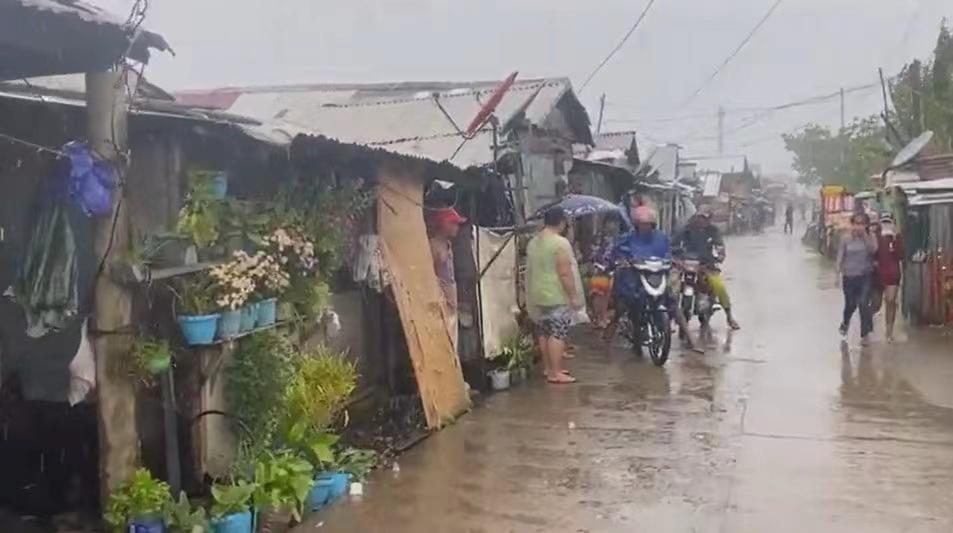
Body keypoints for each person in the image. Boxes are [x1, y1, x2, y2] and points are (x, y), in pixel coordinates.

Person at [608, 206, 700, 350]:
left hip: (658, 276)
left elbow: (668, 253)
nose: (646, 227)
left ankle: (690, 339)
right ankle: (609, 333)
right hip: (635, 276)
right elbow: (616, 252)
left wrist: (674, 261)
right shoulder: (628, 238)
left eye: (648, 224)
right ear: (636, 224)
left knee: (673, 303)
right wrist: (621, 261)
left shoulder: (661, 237)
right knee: (623, 304)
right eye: (643, 224)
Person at [526, 206, 584, 384]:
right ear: (561, 222)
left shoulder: (533, 242)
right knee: (557, 333)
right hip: (556, 294)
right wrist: (573, 295)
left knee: (544, 332)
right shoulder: (560, 243)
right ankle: (556, 372)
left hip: (537, 293)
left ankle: (548, 368)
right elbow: (565, 272)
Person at [673, 209, 741, 330]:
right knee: (672, 287)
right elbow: (674, 244)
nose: (701, 220)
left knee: (719, 286)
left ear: (709, 219)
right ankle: (666, 318)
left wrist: (720, 255)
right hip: (687, 266)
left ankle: (729, 316)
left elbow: (719, 246)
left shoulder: (713, 231)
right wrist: (675, 258)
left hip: (707, 265)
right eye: (699, 217)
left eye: (705, 218)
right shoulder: (686, 230)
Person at [836, 213, 878, 344]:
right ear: (852, 224)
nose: (859, 226)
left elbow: (874, 250)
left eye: (862, 224)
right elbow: (840, 257)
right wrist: (837, 274)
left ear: (866, 225)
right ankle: (845, 323)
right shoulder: (846, 238)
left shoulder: (870, 237)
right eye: (856, 223)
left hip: (865, 275)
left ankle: (865, 333)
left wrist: (865, 237)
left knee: (863, 303)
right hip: (849, 277)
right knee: (850, 304)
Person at [428, 207, 466, 351]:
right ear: (444, 224)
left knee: (452, 342)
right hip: (441, 302)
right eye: (454, 223)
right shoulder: (433, 246)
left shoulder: (448, 245)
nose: (457, 227)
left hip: (451, 299)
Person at [874, 214, 904, 342]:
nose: (887, 225)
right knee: (875, 304)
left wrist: (896, 237)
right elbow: (871, 253)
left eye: (889, 222)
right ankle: (867, 327)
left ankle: (889, 332)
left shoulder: (897, 238)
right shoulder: (875, 236)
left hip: (893, 275)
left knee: (890, 301)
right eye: (884, 222)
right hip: (876, 275)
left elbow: (901, 255)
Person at [588, 216, 621, 329]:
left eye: (615, 223)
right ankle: (598, 318)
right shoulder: (599, 237)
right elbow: (594, 252)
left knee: (606, 296)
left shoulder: (617, 238)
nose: (613, 226)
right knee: (598, 295)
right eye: (611, 223)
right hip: (599, 269)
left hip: (610, 270)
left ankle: (603, 317)